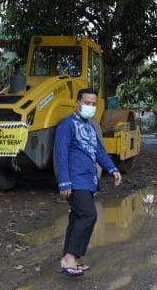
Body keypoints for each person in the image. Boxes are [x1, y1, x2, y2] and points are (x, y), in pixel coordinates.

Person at [54, 88, 122, 277]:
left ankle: (72, 259)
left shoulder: (90, 127)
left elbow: (100, 151)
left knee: (77, 217)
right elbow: (61, 153)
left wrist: (112, 169)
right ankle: (69, 257)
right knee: (88, 215)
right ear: (77, 103)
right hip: (74, 180)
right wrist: (64, 181)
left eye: (93, 104)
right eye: (87, 103)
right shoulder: (67, 125)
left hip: (87, 179)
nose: (90, 107)